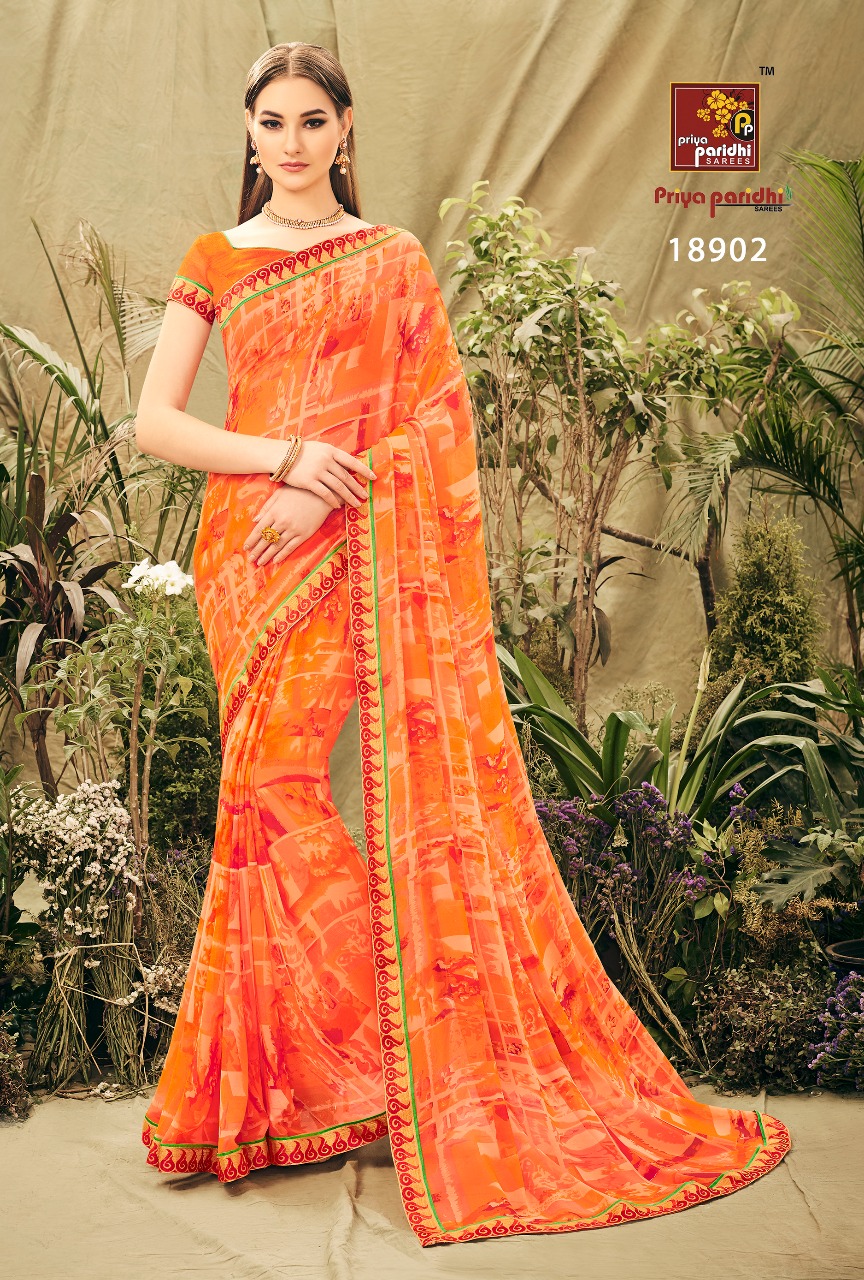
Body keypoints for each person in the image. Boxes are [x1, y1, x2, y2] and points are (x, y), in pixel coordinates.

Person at [134, 40, 791, 1250]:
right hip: (247, 555)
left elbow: (435, 427)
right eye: (272, 121)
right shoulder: (215, 258)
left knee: (278, 791)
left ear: (344, 130)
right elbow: (157, 422)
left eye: (313, 120)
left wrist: (331, 485)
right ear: (250, 132)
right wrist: (287, 459)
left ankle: (396, 1054)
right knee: (258, 800)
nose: (291, 141)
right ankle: (315, 1081)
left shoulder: (392, 259)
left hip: (346, 547)